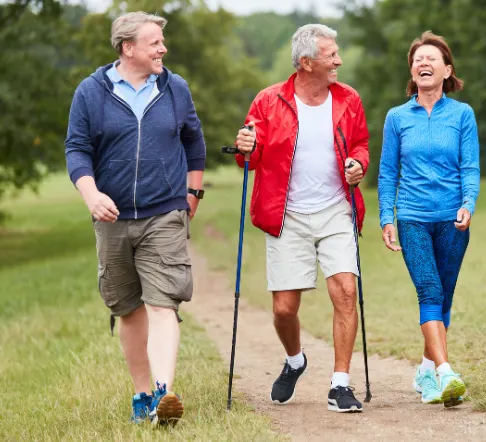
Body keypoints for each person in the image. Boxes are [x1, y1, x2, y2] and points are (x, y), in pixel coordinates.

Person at [64, 12, 206, 424]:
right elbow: (77, 149)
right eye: (155, 42)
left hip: (164, 212)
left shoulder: (175, 88)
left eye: (162, 42)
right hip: (112, 218)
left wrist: (192, 194)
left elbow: (194, 143)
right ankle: (142, 395)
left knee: (164, 304)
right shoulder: (91, 92)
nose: (164, 49)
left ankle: (164, 392)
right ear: (128, 48)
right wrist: (91, 194)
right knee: (128, 309)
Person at [233, 24, 369, 413]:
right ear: (306, 62)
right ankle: (295, 360)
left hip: (335, 209)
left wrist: (358, 164)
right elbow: (250, 158)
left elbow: (360, 144)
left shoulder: (348, 99)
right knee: (284, 309)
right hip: (286, 214)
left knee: (345, 289)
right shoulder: (268, 101)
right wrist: (247, 146)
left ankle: (340, 384)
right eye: (331, 55)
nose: (339, 60)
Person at [377, 31, 479, 407]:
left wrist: (469, 202)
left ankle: (426, 370)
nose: (423, 63)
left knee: (444, 296)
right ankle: (446, 371)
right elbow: (388, 172)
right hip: (414, 218)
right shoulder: (397, 117)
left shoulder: (462, 114)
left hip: (454, 220)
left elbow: (470, 166)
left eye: (431, 58)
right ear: (412, 70)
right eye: (418, 58)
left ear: (446, 70)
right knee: (429, 291)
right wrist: (387, 217)